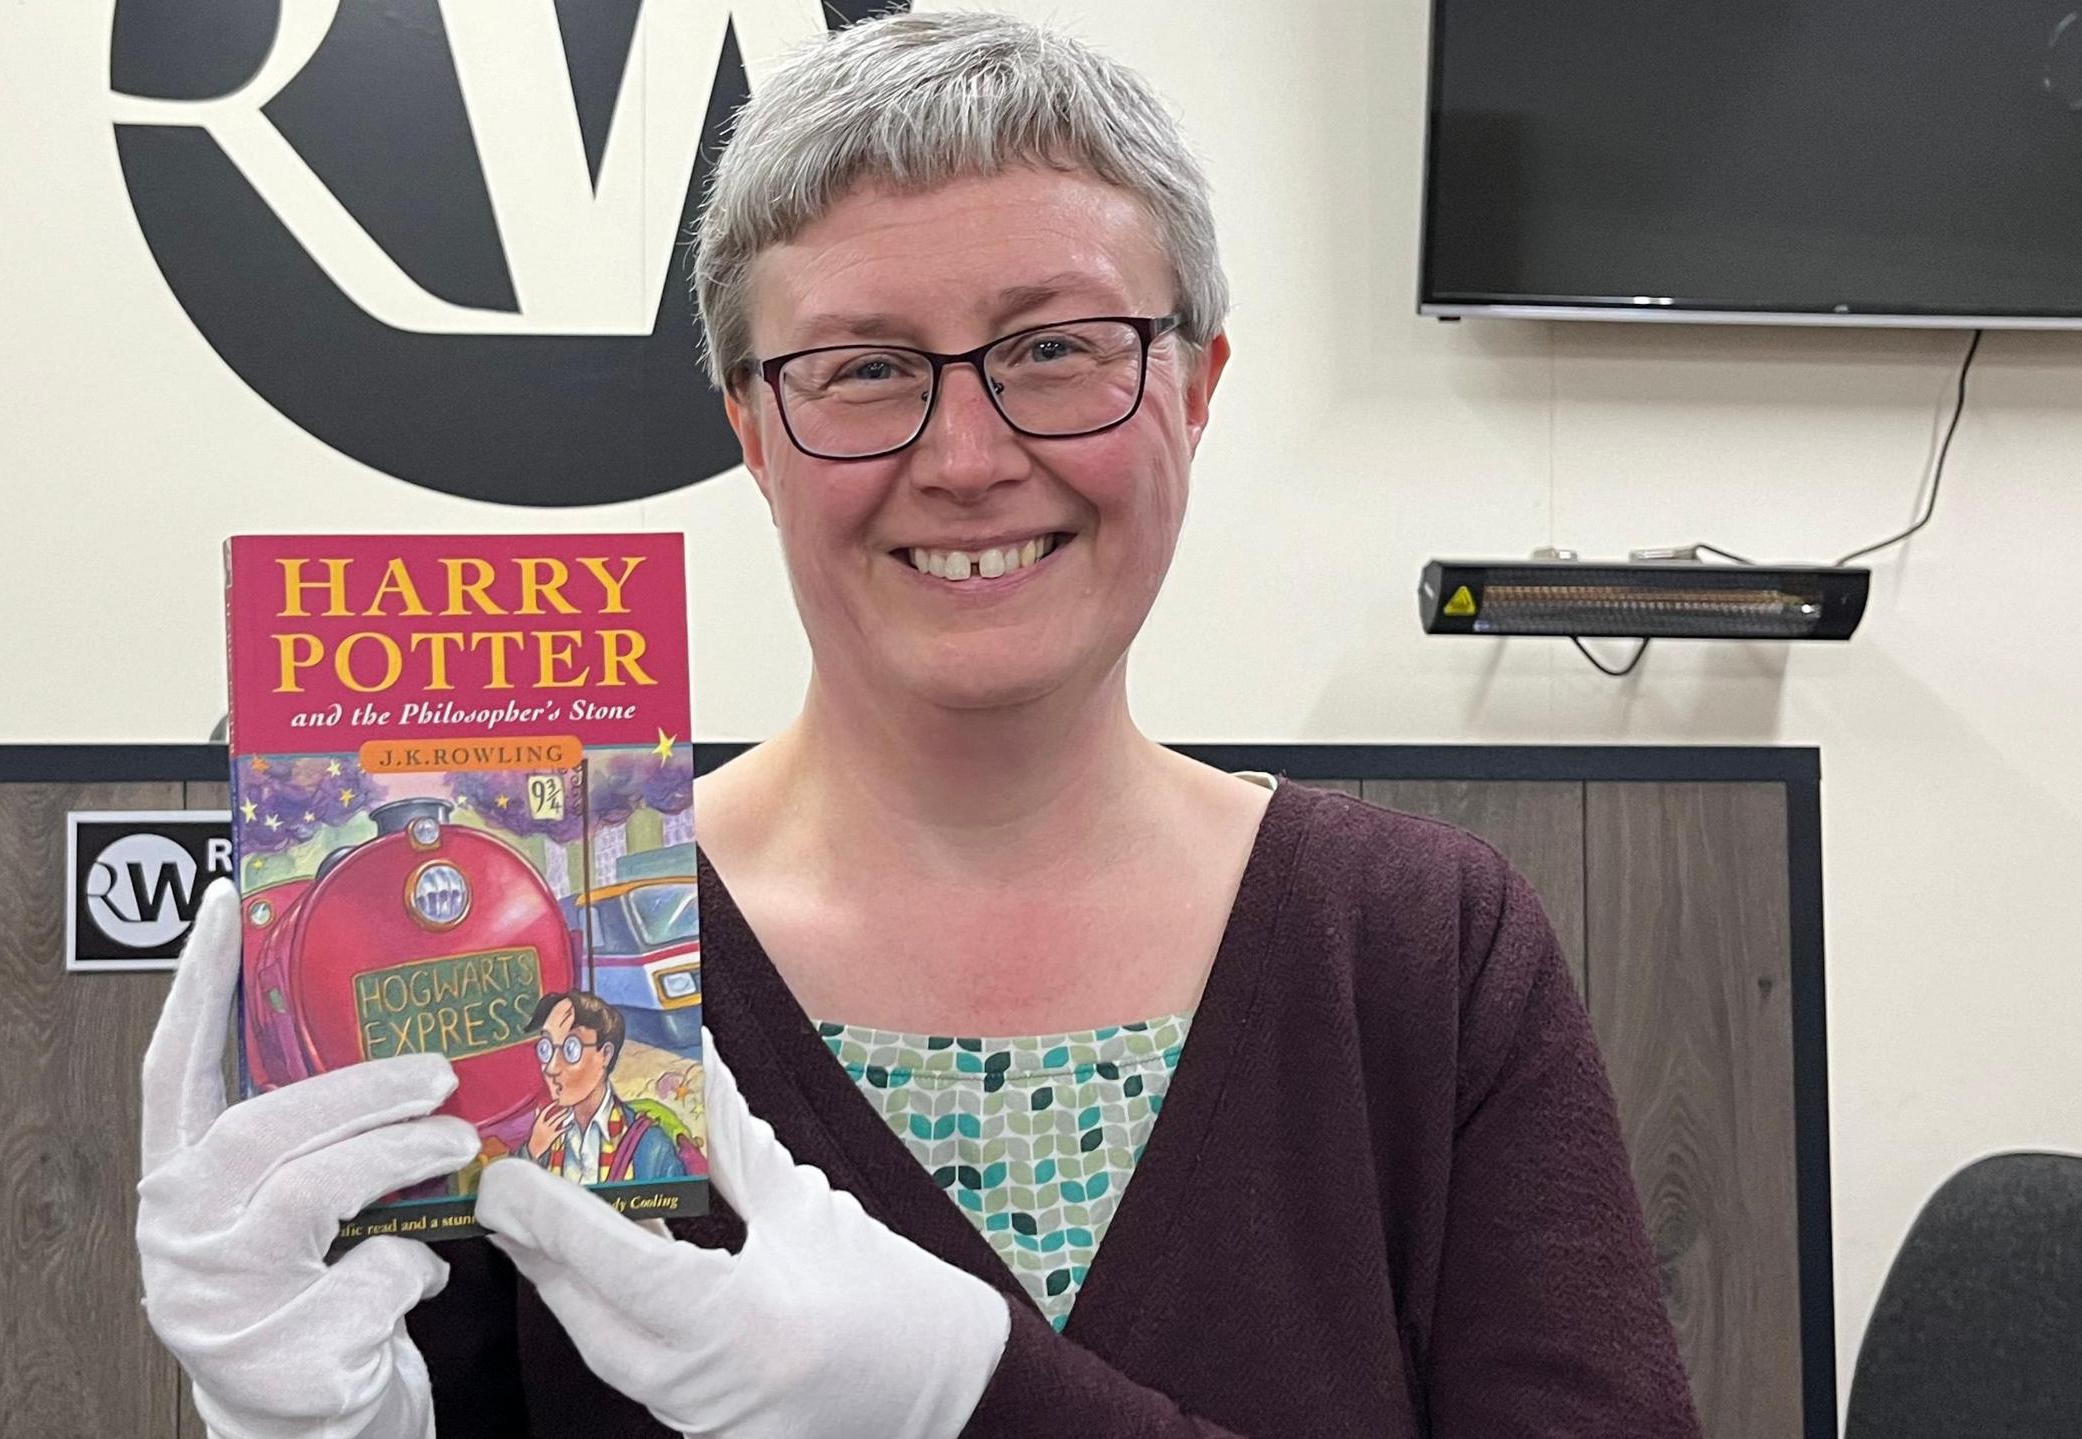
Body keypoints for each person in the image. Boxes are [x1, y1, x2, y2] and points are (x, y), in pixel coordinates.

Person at [134, 13, 1703, 1438]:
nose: (965, 455)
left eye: (1054, 347)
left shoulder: (1423, 949)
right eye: (864, 368)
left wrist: (970, 1392)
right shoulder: (566, 943)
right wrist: (313, 1425)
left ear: (1197, 384)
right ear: (753, 428)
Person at [518, 992, 690, 1184]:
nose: (551, 1067)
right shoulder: (543, 1141)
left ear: (606, 1055)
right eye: (545, 1048)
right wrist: (530, 1152)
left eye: (571, 1049)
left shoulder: (651, 1147)